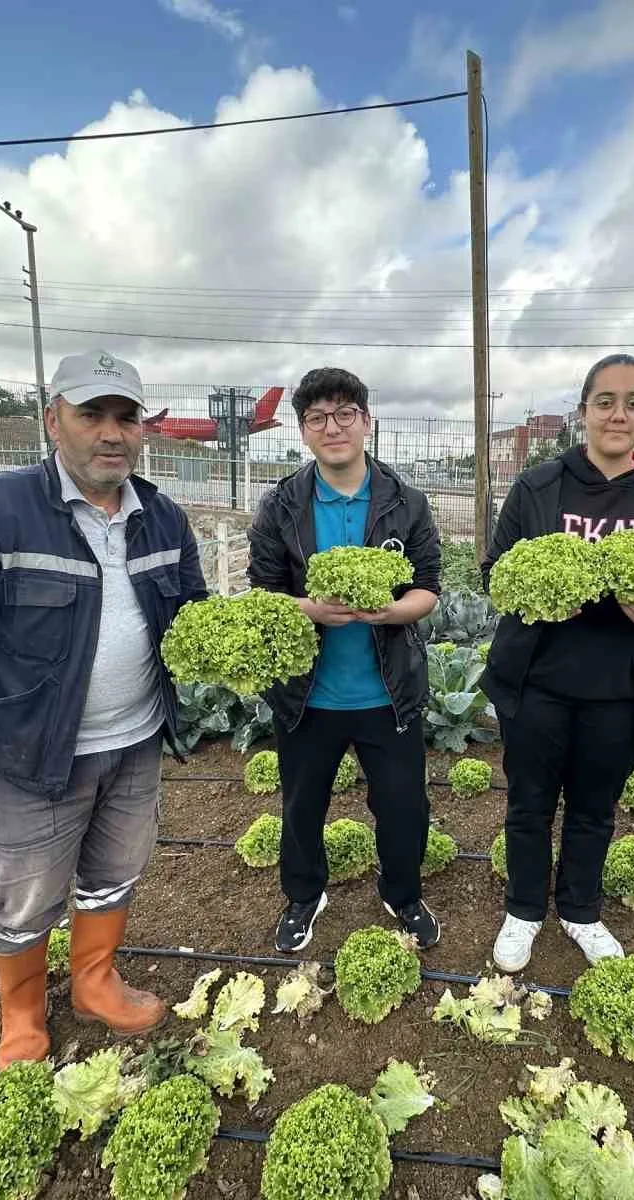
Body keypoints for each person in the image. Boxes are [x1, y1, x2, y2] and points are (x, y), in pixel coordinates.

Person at [0, 349, 208, 1069]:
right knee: (25, 895)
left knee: (117, 869)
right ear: (52, 419)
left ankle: (94, 983)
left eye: (126, 417)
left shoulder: (163, 518)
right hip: (30, 752)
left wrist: (228, 658)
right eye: (91, 413)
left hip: (137, 740)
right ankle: (23, 1015)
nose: (111, 432)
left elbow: (192, 620)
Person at [481, 353, 634, 973]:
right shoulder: (538, 487)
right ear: (583, 412)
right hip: (538, 681)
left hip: (618, 686)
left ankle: (580, 910)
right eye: (605, 401)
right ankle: (524, 909)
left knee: (594, 808)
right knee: (528, 802)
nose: (618, 414)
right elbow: (496, 571)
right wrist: (539, 594)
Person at [246, 367, 443, 954]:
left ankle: (402, 895)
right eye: (317, 418)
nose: (332, 427)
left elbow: (429, 587)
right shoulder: (282, 505)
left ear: (366, 422)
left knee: (404, 805)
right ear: (303, 431)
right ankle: (305, 895)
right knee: (302, 805)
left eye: (345, 414)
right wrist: (309, 608)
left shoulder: (405, 502)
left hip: (388, 691)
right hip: (308, 694)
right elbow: (264, 592)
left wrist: (390, 611)